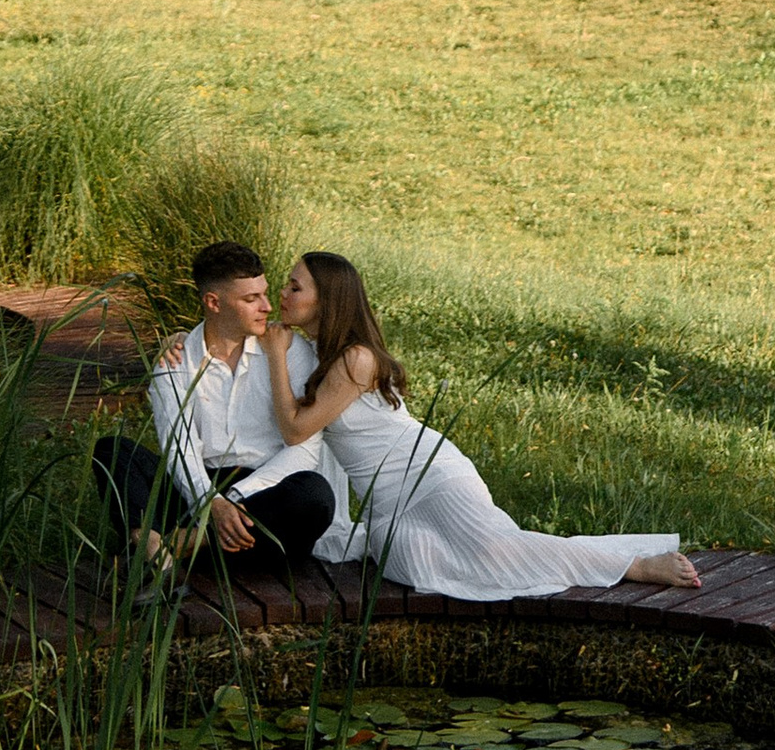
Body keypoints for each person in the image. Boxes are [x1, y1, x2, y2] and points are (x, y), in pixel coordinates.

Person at [257, 252, 703, 598]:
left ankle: (635, 565)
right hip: (388, 506)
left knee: (495, 549)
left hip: (429, 475)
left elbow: (296, 429)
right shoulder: (309, 353)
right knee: (412, 563)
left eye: (294, 286)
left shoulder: (355, 358)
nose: (282, 293)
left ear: (327, 299)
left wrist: (276, 355)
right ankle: (610, 559)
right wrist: (184, 341)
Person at [90, 240, 342, 572]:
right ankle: (153, 547)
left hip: (263, 499)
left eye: (265, 293)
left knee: (314, 494)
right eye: (251, 299)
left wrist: (232, 502)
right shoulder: (176, 360)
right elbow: (179, 447)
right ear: (214, 302)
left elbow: (305, 449)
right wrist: (211, 504)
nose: (267, 306)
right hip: (195, 494)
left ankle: (171, 547)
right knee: (113, 451)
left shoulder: (291, 352)